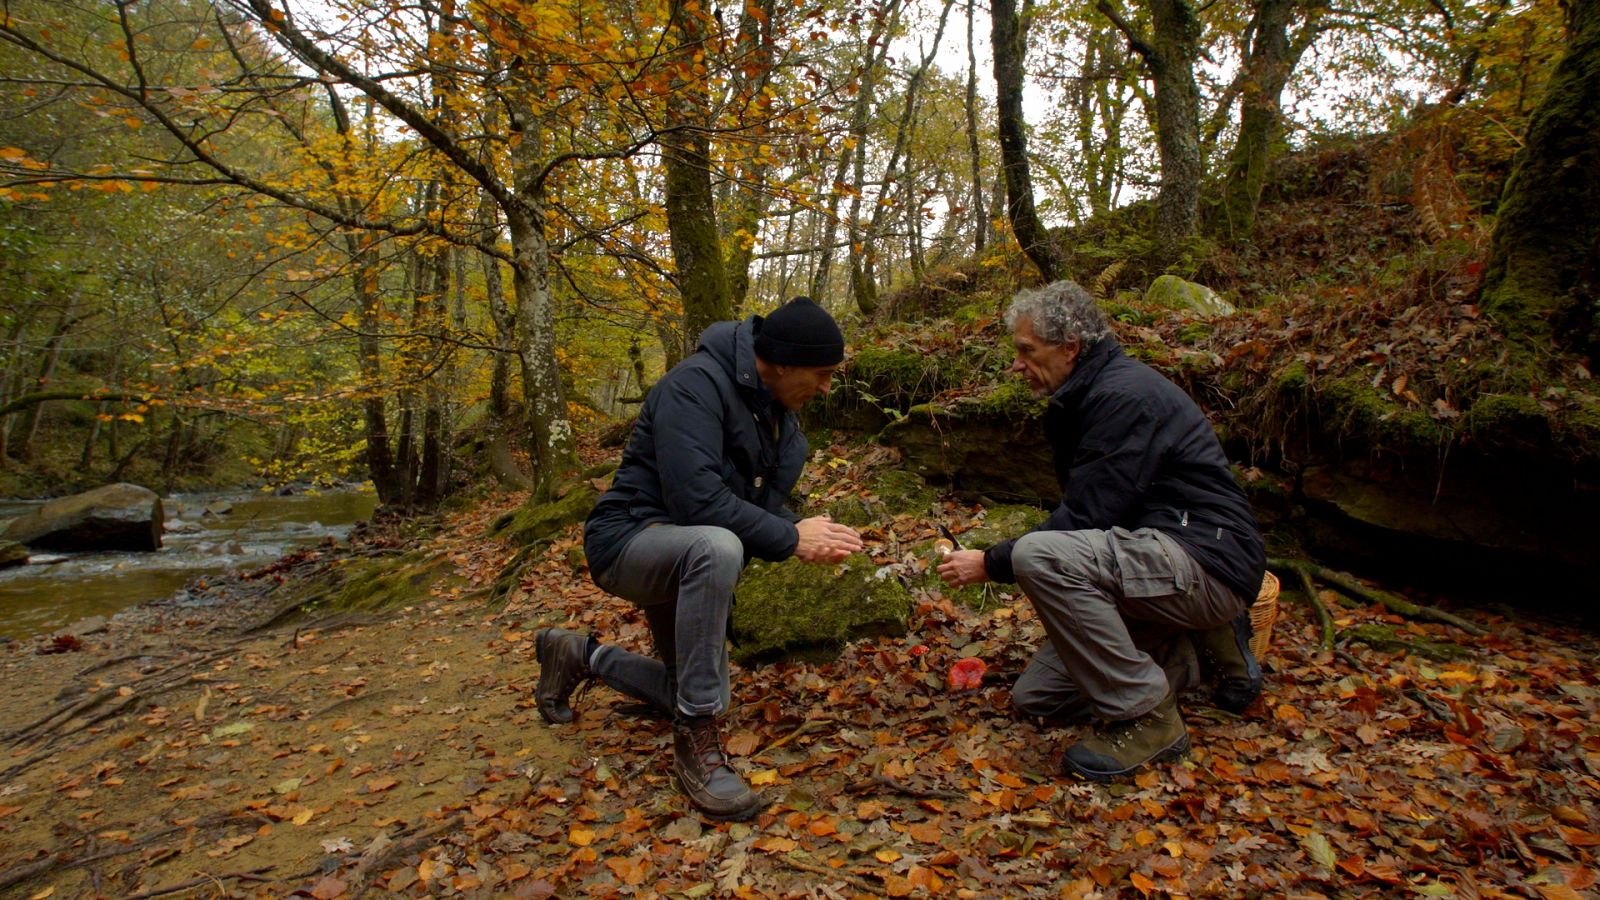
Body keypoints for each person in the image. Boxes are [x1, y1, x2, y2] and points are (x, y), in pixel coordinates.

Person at [535, 296, 864, 820]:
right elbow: (698, 502)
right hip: (630, 540)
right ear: (781, 362)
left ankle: (579, 655)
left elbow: (762, 506)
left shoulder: (783, 424)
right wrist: (790, 537)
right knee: (717, 545)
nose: (827, 388)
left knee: (687, 686)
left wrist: (808, 534)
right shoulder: (693, 386)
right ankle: (697, 746)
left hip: (692, 557)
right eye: (821, 374)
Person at [938, 280, 1266, 781]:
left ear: (1070, 347)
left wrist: (990, 561)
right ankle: (1192, 654)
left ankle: (1148, 717)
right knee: (1038, 697)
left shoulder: (1125, 397)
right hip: (1154, 559)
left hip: (1203, 558)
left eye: (1028, 351)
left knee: (1037, 556)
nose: (1017, 364)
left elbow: (1089, 517)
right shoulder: (1088, 396)